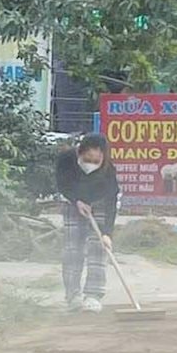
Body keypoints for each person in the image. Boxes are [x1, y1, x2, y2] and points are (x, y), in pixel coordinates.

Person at [54, 133, 118, 312]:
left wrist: (107, 233)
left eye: (96, 159)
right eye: (88, 157)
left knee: (98, 248)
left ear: (103, 156)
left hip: (99, 204)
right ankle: (73, 295)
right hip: (72, 203)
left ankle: (93, 295)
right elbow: (62, 184)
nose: (91, 161)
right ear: (80, 152)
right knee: (72, 250)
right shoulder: (67, 159)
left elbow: (111, 201)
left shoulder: (108, 170)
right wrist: (77, 201)